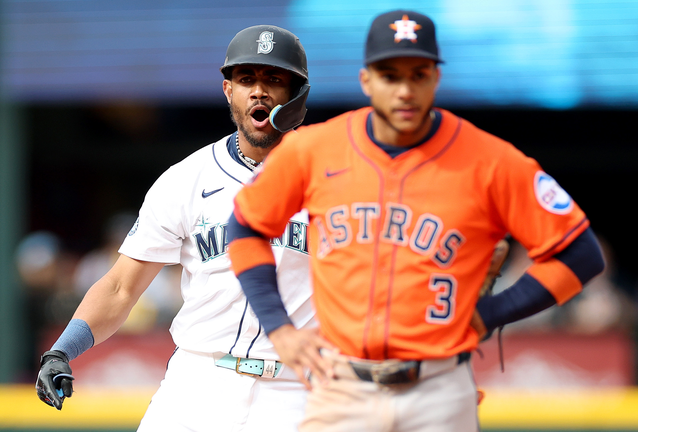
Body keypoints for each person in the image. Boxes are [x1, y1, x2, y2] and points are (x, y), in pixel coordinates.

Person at [227, 10, 606, 432]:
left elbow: (581, 254)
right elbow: (245, 228)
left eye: (418, 74)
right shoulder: (312, 150)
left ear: (435, 79)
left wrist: (493, 312)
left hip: (440, 388)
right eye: (390, 75)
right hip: (341, 386)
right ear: (366, 80)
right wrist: (280, 329)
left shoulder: (491, 161)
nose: (405, 90)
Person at [35, 25, 317, 432]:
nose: (259, 91)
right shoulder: (186, 178)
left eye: (274, 79)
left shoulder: (333, 178)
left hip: (296, 389)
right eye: (246, 79)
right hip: (201, 380)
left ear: (297, 95)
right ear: (227, 91)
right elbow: (121, 286)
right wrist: (62, 349)